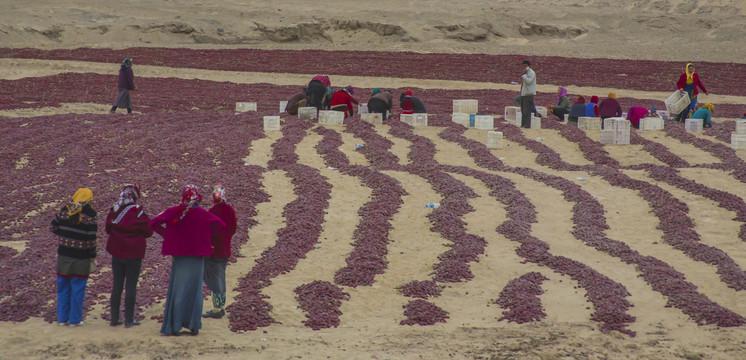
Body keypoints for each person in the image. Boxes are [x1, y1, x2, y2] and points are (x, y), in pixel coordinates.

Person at [150, 185, 226, 336]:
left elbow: (153, 223)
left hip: (180, 257)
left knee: (179, 290)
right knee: (194, 291)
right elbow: (221, 225)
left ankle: (175, 326)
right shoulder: (203, 214)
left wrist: (168, 236)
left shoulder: (175, 212)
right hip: (197, 258)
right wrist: (206, 237)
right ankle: (193, 326)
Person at [105, 184, 153, 328]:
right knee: (131, 286)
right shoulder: (138, 212)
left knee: (117, 285)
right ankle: (129, 320)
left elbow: (108, 229)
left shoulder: (114, 210)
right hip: (134, 254)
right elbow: (148, 231)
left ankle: (114, 319)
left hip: (117, 253)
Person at [52, 188, 97, 326]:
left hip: (64, 255)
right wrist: (92, 256)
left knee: (63, 287)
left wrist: (65, 236)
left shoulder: (65, 210)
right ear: (89, 199)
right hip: (81, 257)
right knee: (78, 289)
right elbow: (91, 240)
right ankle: (75, 320)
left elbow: (53, 227)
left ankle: (62, 319)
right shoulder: (91, 215)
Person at [202, 185, 237, 319]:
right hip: (225, 249)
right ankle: (221, 306)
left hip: (214, 251)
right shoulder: (230, 210)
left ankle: (217, 309)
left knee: (213, 279)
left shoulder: (212, 211)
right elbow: (233, 228)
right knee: (221, 277)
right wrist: (227, 238)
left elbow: (208, 231)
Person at [519, 59, 536, 128]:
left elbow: (529, 81)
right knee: (523, 110)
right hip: (524, 94)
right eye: (523, 66)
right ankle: (523, 124)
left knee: (527, 110)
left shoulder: (532, 73)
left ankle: (527, 125)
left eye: (526, 66)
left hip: (528, 94)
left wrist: (524, 75)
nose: (524, 67)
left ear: (529, 66)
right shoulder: (526, 73)